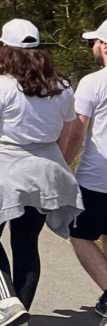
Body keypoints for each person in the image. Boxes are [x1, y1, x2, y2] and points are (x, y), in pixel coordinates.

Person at [0, 19, 83, 326]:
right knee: (26, 243)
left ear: (5, 49)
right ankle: (18, 312)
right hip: (45, 170)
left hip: (4, 169)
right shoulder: (62, 88)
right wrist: (56, 165)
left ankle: (9, 301)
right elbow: (67, 133)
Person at [65, 20, 107, 319]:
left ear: (105, 46)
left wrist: (61, 166)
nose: (92, 46)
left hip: (98, 176)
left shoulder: (93, 83)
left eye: (94, 42)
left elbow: (77, 133)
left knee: (79, 235)